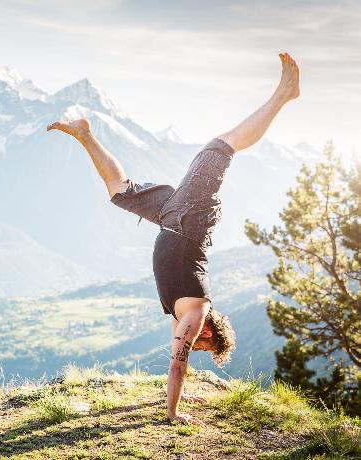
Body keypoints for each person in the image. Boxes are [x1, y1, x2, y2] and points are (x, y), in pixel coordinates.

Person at [47, 53, 300, 425]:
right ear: (210, 330)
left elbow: (178, 364)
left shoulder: (180, 313)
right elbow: (178, 366)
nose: (194, 344)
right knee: (221, 146)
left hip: (173, 220)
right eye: (204, 344)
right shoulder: (196, 313)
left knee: (120, 192)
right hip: (191, 218)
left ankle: (85, 134)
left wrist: (179, 396)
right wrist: (173, 413)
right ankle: (284, 94)